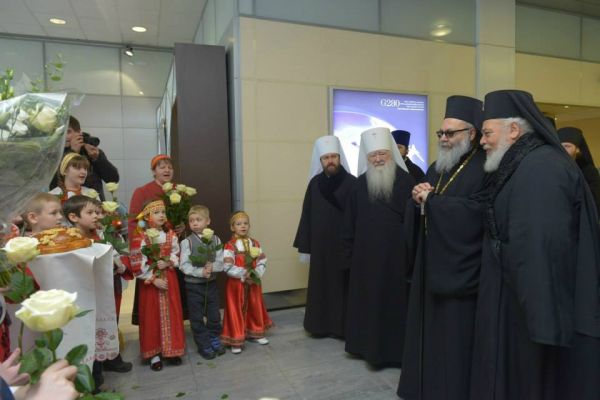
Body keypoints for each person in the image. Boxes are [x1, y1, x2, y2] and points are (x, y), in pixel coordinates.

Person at [471, 89, 600, 400]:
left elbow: (541, 248)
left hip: (534, 315)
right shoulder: (525, 162)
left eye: (487, 133)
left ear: (514, 130)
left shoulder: (541, 168)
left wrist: (542, 325)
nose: (482, 141)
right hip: (521, 303)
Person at [397, 95, 490, 400]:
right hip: (431, 264)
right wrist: (418, 198)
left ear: (471, 134)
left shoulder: (486, 167)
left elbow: (479, 213)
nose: (444, 139)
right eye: (441, 133)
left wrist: (433, 202)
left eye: (450, 133)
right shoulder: (437, 167)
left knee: (455, 339)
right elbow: (423, 203)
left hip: (462, 271)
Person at [342, 127, 414, 366]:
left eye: (383, 153)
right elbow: (349, 223)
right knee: (367, 303)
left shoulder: (406, 181)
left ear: (392, 153)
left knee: (392, 306)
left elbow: (413, 224)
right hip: (364, 258)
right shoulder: (359, 184)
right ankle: (364, 348)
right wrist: (349, 255)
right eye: (373, 155)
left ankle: (393, 353)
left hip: (396, 259)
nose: (378, 159)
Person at [293, 135, 357, 338]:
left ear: (339, 157)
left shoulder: (353, 183)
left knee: (342, 287)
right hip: (320, 247)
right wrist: (306, 244)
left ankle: (341, 328)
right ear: (320, 160)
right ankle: (319, 326)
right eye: (326, 157)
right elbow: (307, 214)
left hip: (344, 247)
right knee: (320, 286)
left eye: (333, 156)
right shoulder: (314, 184)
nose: (330, 161)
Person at [128, 154, 187, 326]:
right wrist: (139, 246)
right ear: (153, 171)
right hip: (150, 252)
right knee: (151, 300)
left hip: (170, 250)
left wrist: (182, 226)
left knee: (173, 292)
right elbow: (133, 222)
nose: (167, 170)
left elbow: (184, 217)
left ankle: (174, 328)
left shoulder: (178, 192)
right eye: (162, 167)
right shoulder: (142, 191)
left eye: (169, 167)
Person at [130, 200, 185, 371]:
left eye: (163, 212)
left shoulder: (171, 235)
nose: (161, 215)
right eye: (156, 212)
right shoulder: (141, 237)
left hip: (169, 280)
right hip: (150, 285)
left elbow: (177, 254)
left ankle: (172, 351)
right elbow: (136, 264)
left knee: (172, 313)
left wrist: (168, 262)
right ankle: (154, 354)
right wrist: (153, 279)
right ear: (147, 217)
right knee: (151, 316)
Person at [221, 211, 272, 354]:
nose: (243, 226)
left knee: (255, 306)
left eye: (245, 223)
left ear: (249, 226)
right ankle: (235, 337)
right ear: (232, 227)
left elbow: (262, 260)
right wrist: (244, 273)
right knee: (235, 309)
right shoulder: (229, 246)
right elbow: (227, 266)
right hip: (236, 284)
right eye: (238, 224)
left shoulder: (255, 243)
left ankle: (256, 332)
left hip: (253, 282)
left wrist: (256, 274)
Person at [179, 205, 225, 360]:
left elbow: (221, 261)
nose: (194, 223)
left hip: (210, 285)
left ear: (208, 221)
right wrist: (200, 272)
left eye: (198, 220)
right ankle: (203, 343)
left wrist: (213, 267)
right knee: (196, 317)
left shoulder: (216, 239)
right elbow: (184, 265)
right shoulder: (187, 242)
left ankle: (214, 338)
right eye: (191, 220)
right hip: (193, 286)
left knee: (214, 315)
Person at [51, 116, 119, 201]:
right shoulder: (54, 154)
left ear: (79, 132)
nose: (64, 136)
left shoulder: (91, 150)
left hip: (93, 204)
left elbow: (113, 179)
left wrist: (98, 158)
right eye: (61, 133)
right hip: (63, 203)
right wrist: (73, 152)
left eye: (68, 132)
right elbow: (54, 183)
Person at [557, 126, 600, 212]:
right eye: (560, 146)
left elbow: (595, 202)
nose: (563, 150)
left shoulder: (589, 172)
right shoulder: (554, 169)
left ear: (577, 149)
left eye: (567, 146)